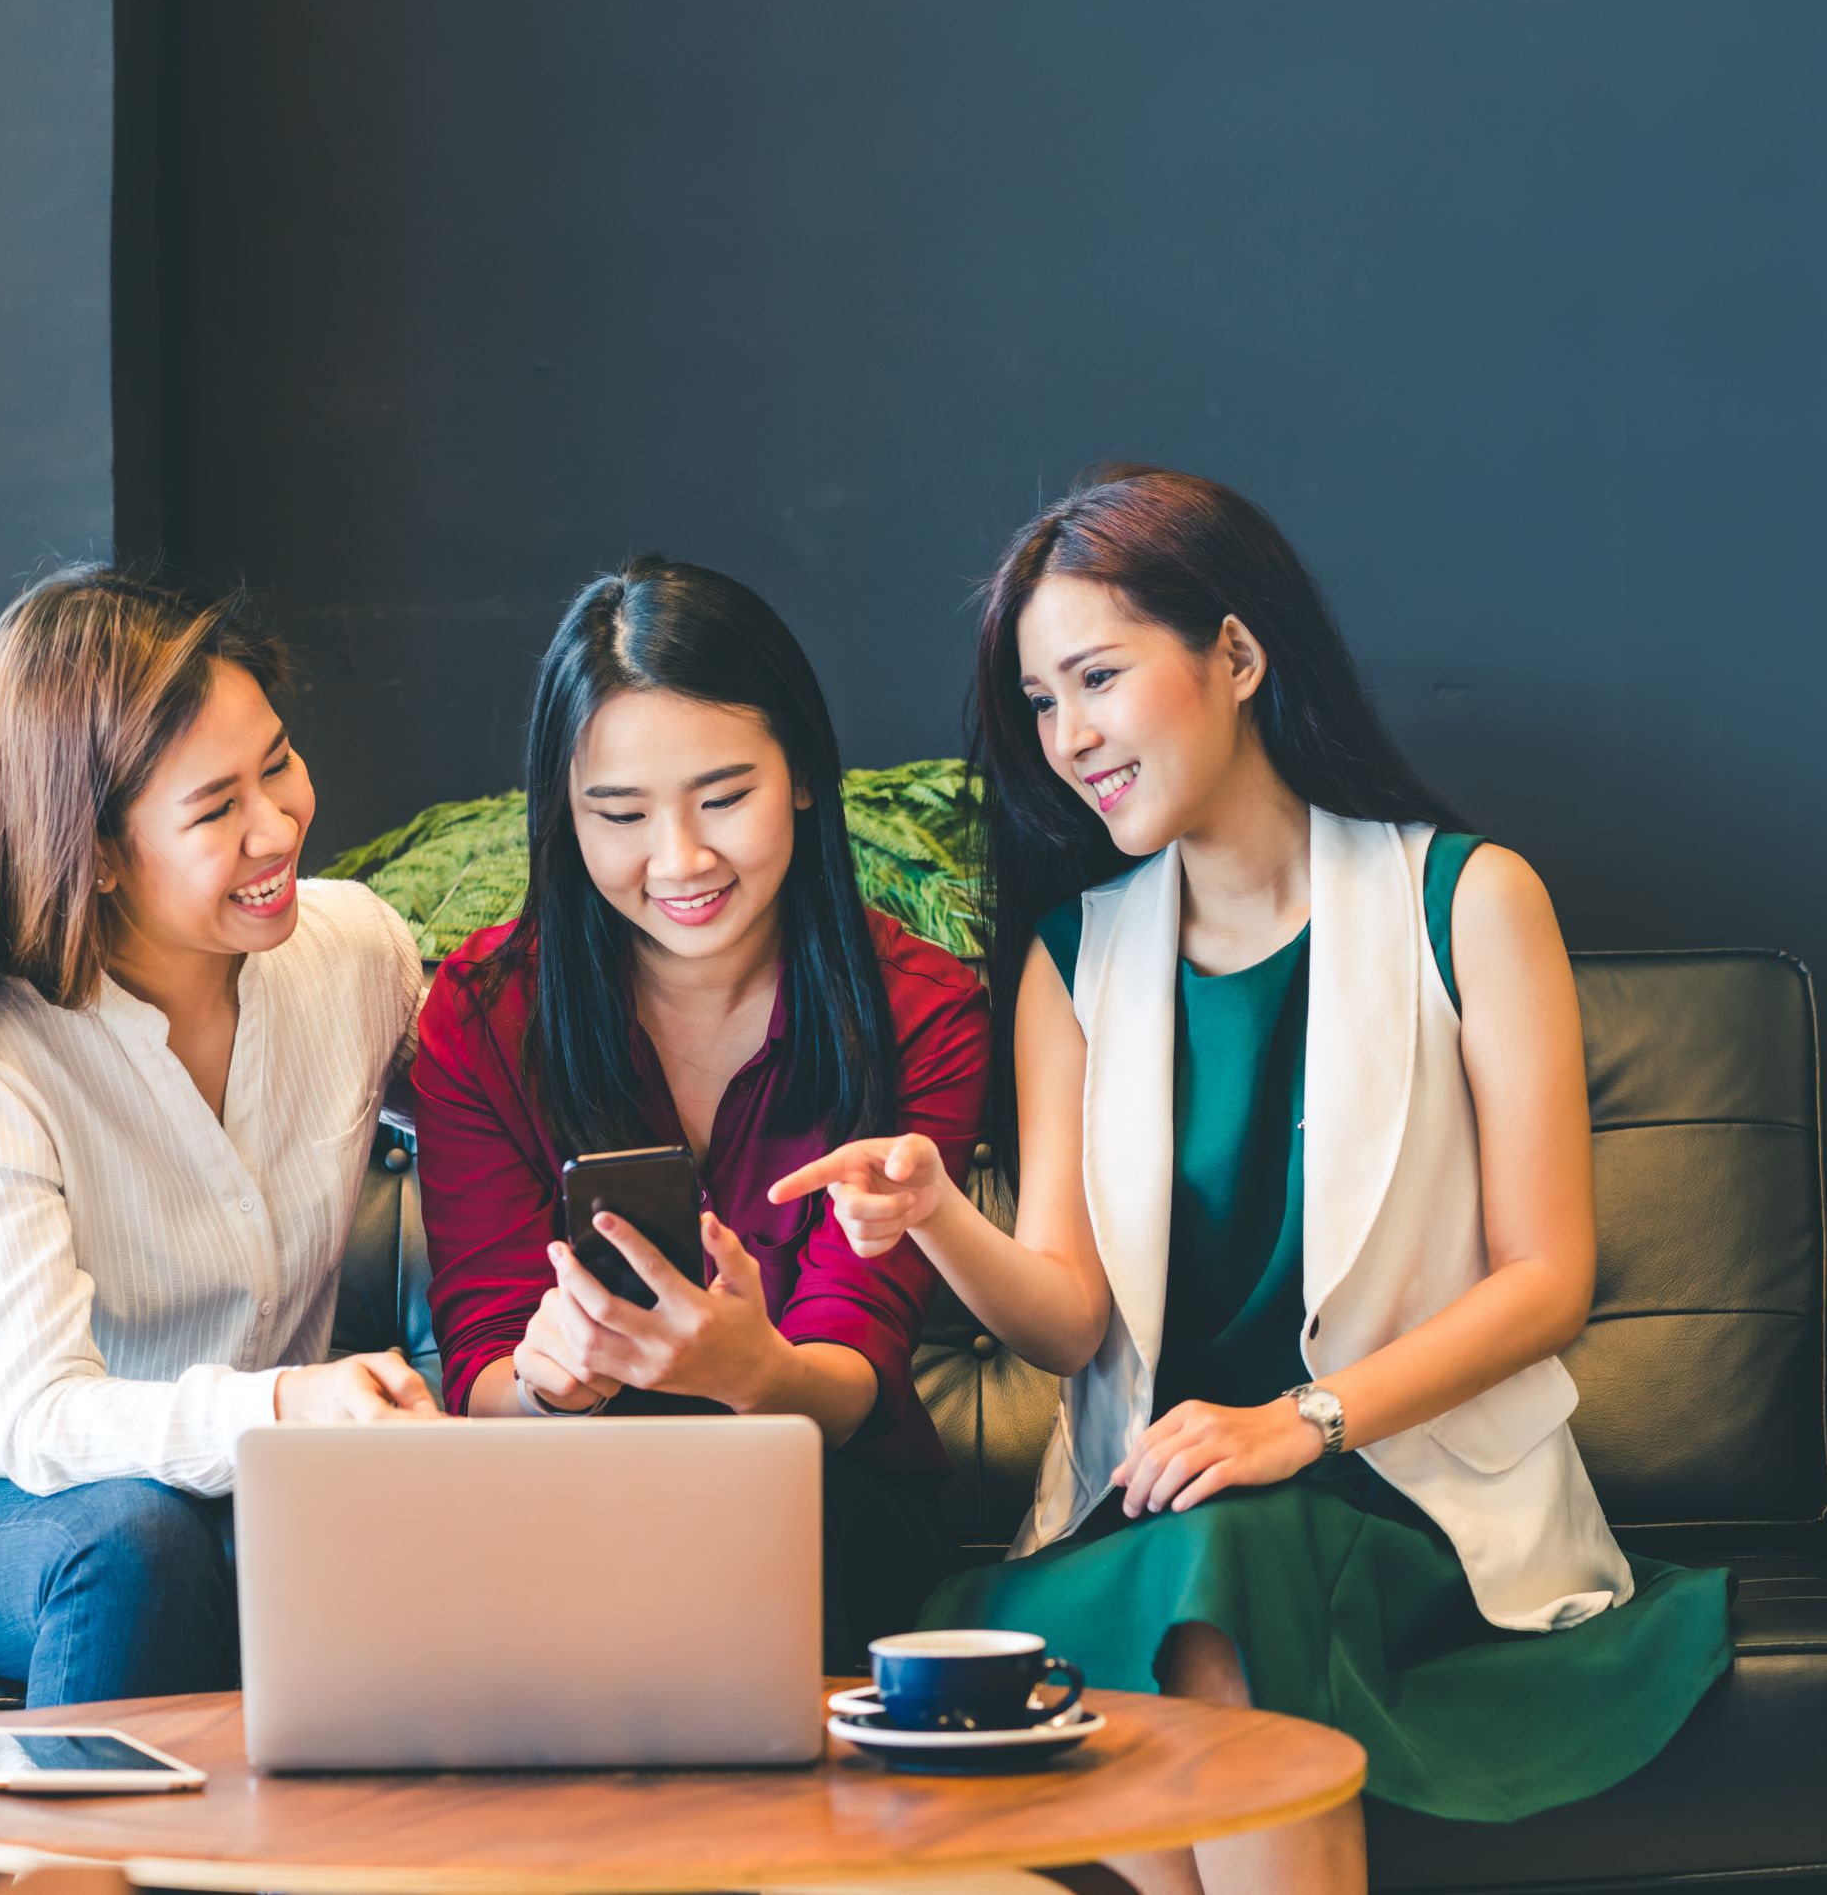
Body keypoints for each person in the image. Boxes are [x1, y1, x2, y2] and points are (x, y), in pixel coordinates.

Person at [772, 468, 1727, 1895]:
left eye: (1098, 676)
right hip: (1159, 1513)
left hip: (1400, 1499)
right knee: (1205, 1573)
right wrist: (937, 1219)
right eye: (1040, 703)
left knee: (1225, 1576)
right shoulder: (1068, 960)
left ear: (1237, 654)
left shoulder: (1467, 900)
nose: (1069, 737)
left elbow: (1548, 1282)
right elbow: (1068, 1324)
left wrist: (1303, 1423)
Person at [0, 569, 441, 1708]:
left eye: (280, 761)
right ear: (95, 848)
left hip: (235, 1504)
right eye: (216, 809)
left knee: (325, 1536)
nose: (280, 823)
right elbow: (49, 1423)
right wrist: (285, 1404)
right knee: (136, 1535)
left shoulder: (356, 952)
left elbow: (508, 1119)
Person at [413, 557, 989, 1659]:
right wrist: (547, 1387)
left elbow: (855, 1363)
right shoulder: (486, 1014)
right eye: (619, 813)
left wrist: (754, 1370)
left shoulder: (920, 1009)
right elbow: (483, 1356)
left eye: (724, 797)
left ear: (804, 775)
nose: (678, 860)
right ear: (566, 815)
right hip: (561, 1513)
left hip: (826, 1503)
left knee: (778, 1524)